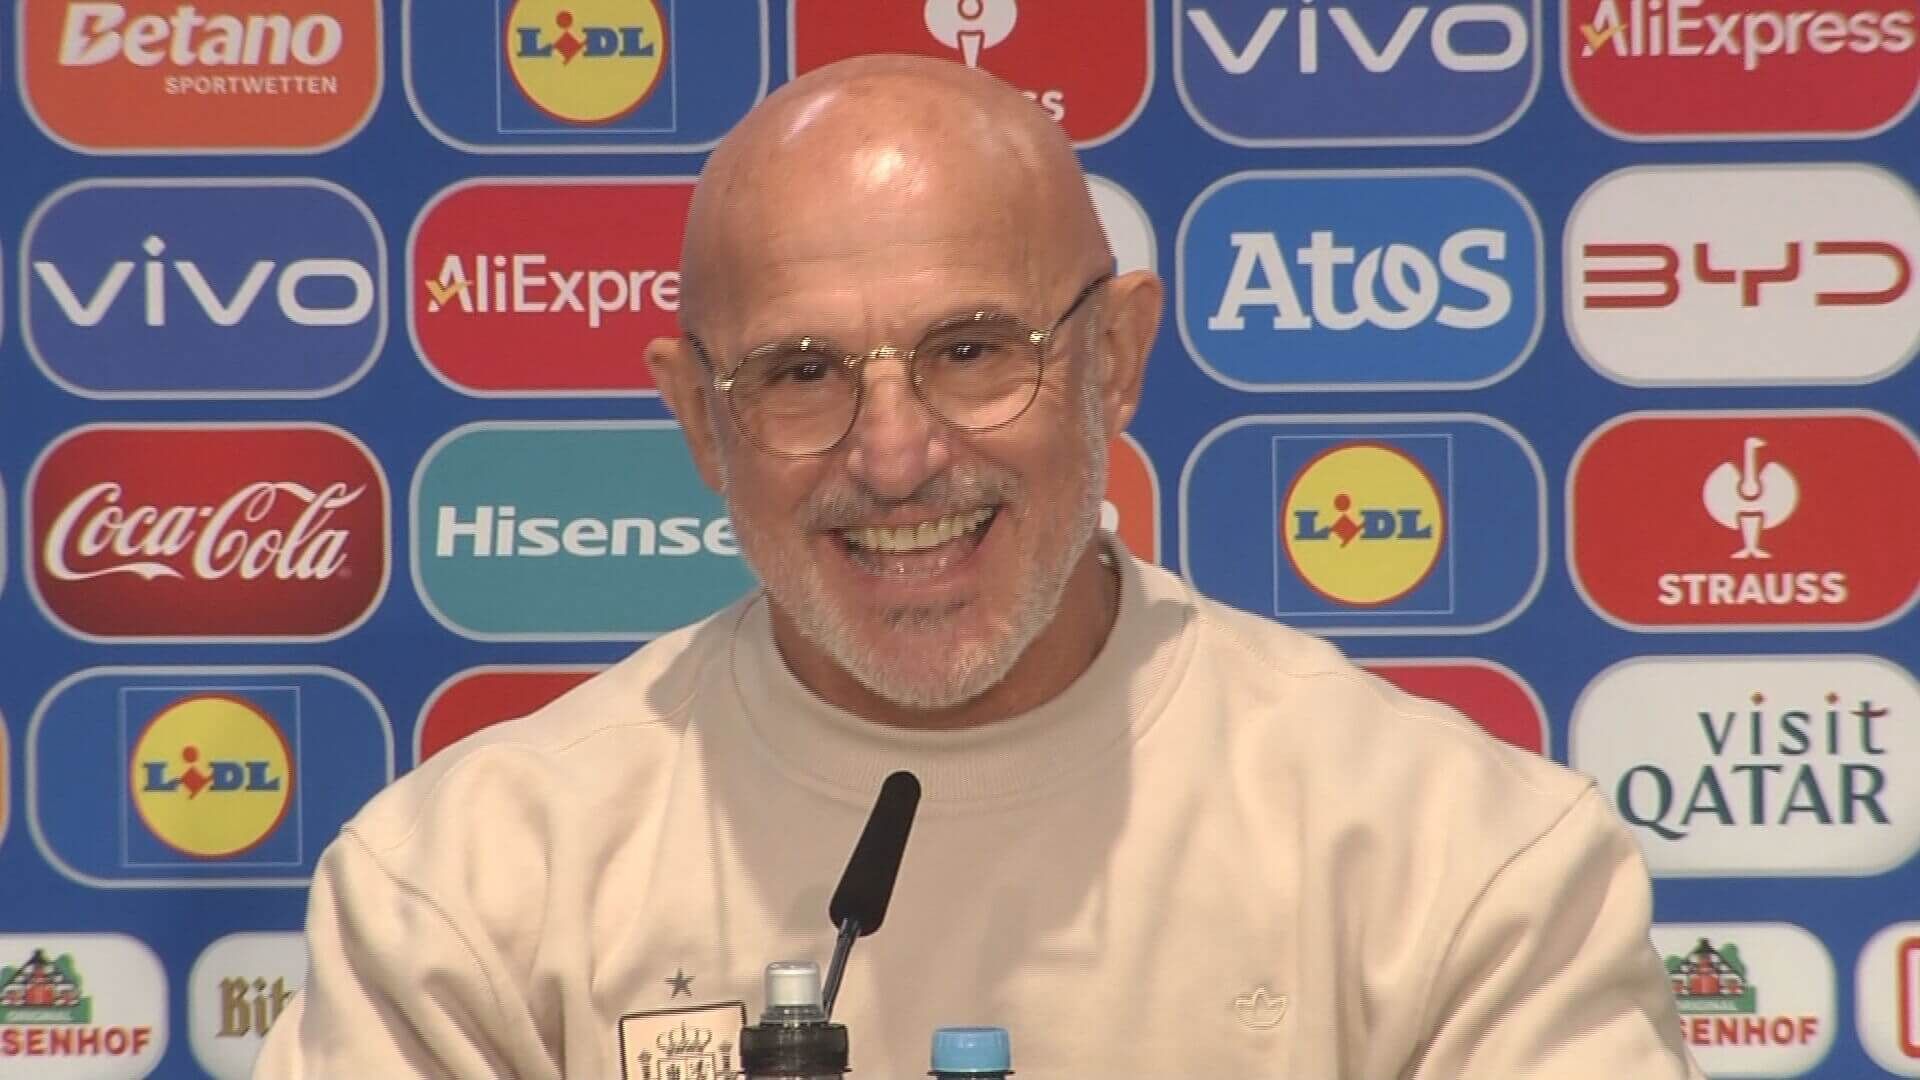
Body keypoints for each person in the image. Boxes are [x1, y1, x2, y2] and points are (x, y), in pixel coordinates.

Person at [255, 56, 1703, 1079]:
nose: (895, 457)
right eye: (801, 373)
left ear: (1114, 357)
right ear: (699, 419)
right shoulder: (466, 885)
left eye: (969, 351)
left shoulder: (1460, 860)